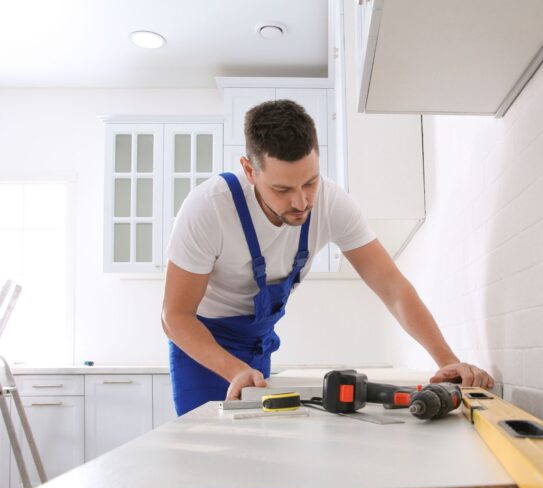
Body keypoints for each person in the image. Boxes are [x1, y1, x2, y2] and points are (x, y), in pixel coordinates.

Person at [161, 100, 495, 415]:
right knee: (204, 455)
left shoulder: (333, 204)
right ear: (249, 171)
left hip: (257, 345)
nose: (301, 202)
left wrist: (446, 359)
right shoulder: (209, 209)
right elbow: (175, 317)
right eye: (282, 190)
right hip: (201, 345)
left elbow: (393, 290)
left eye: (310, 182)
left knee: (253, 451)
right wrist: (233, 369)